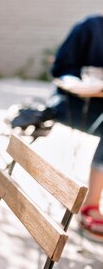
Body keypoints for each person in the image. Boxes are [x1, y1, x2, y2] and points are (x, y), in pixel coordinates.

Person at [49, 14, 103, 240]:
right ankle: (91, 205)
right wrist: (86, 86)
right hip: (71, 103)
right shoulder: (89, 27)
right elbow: (60, 70)